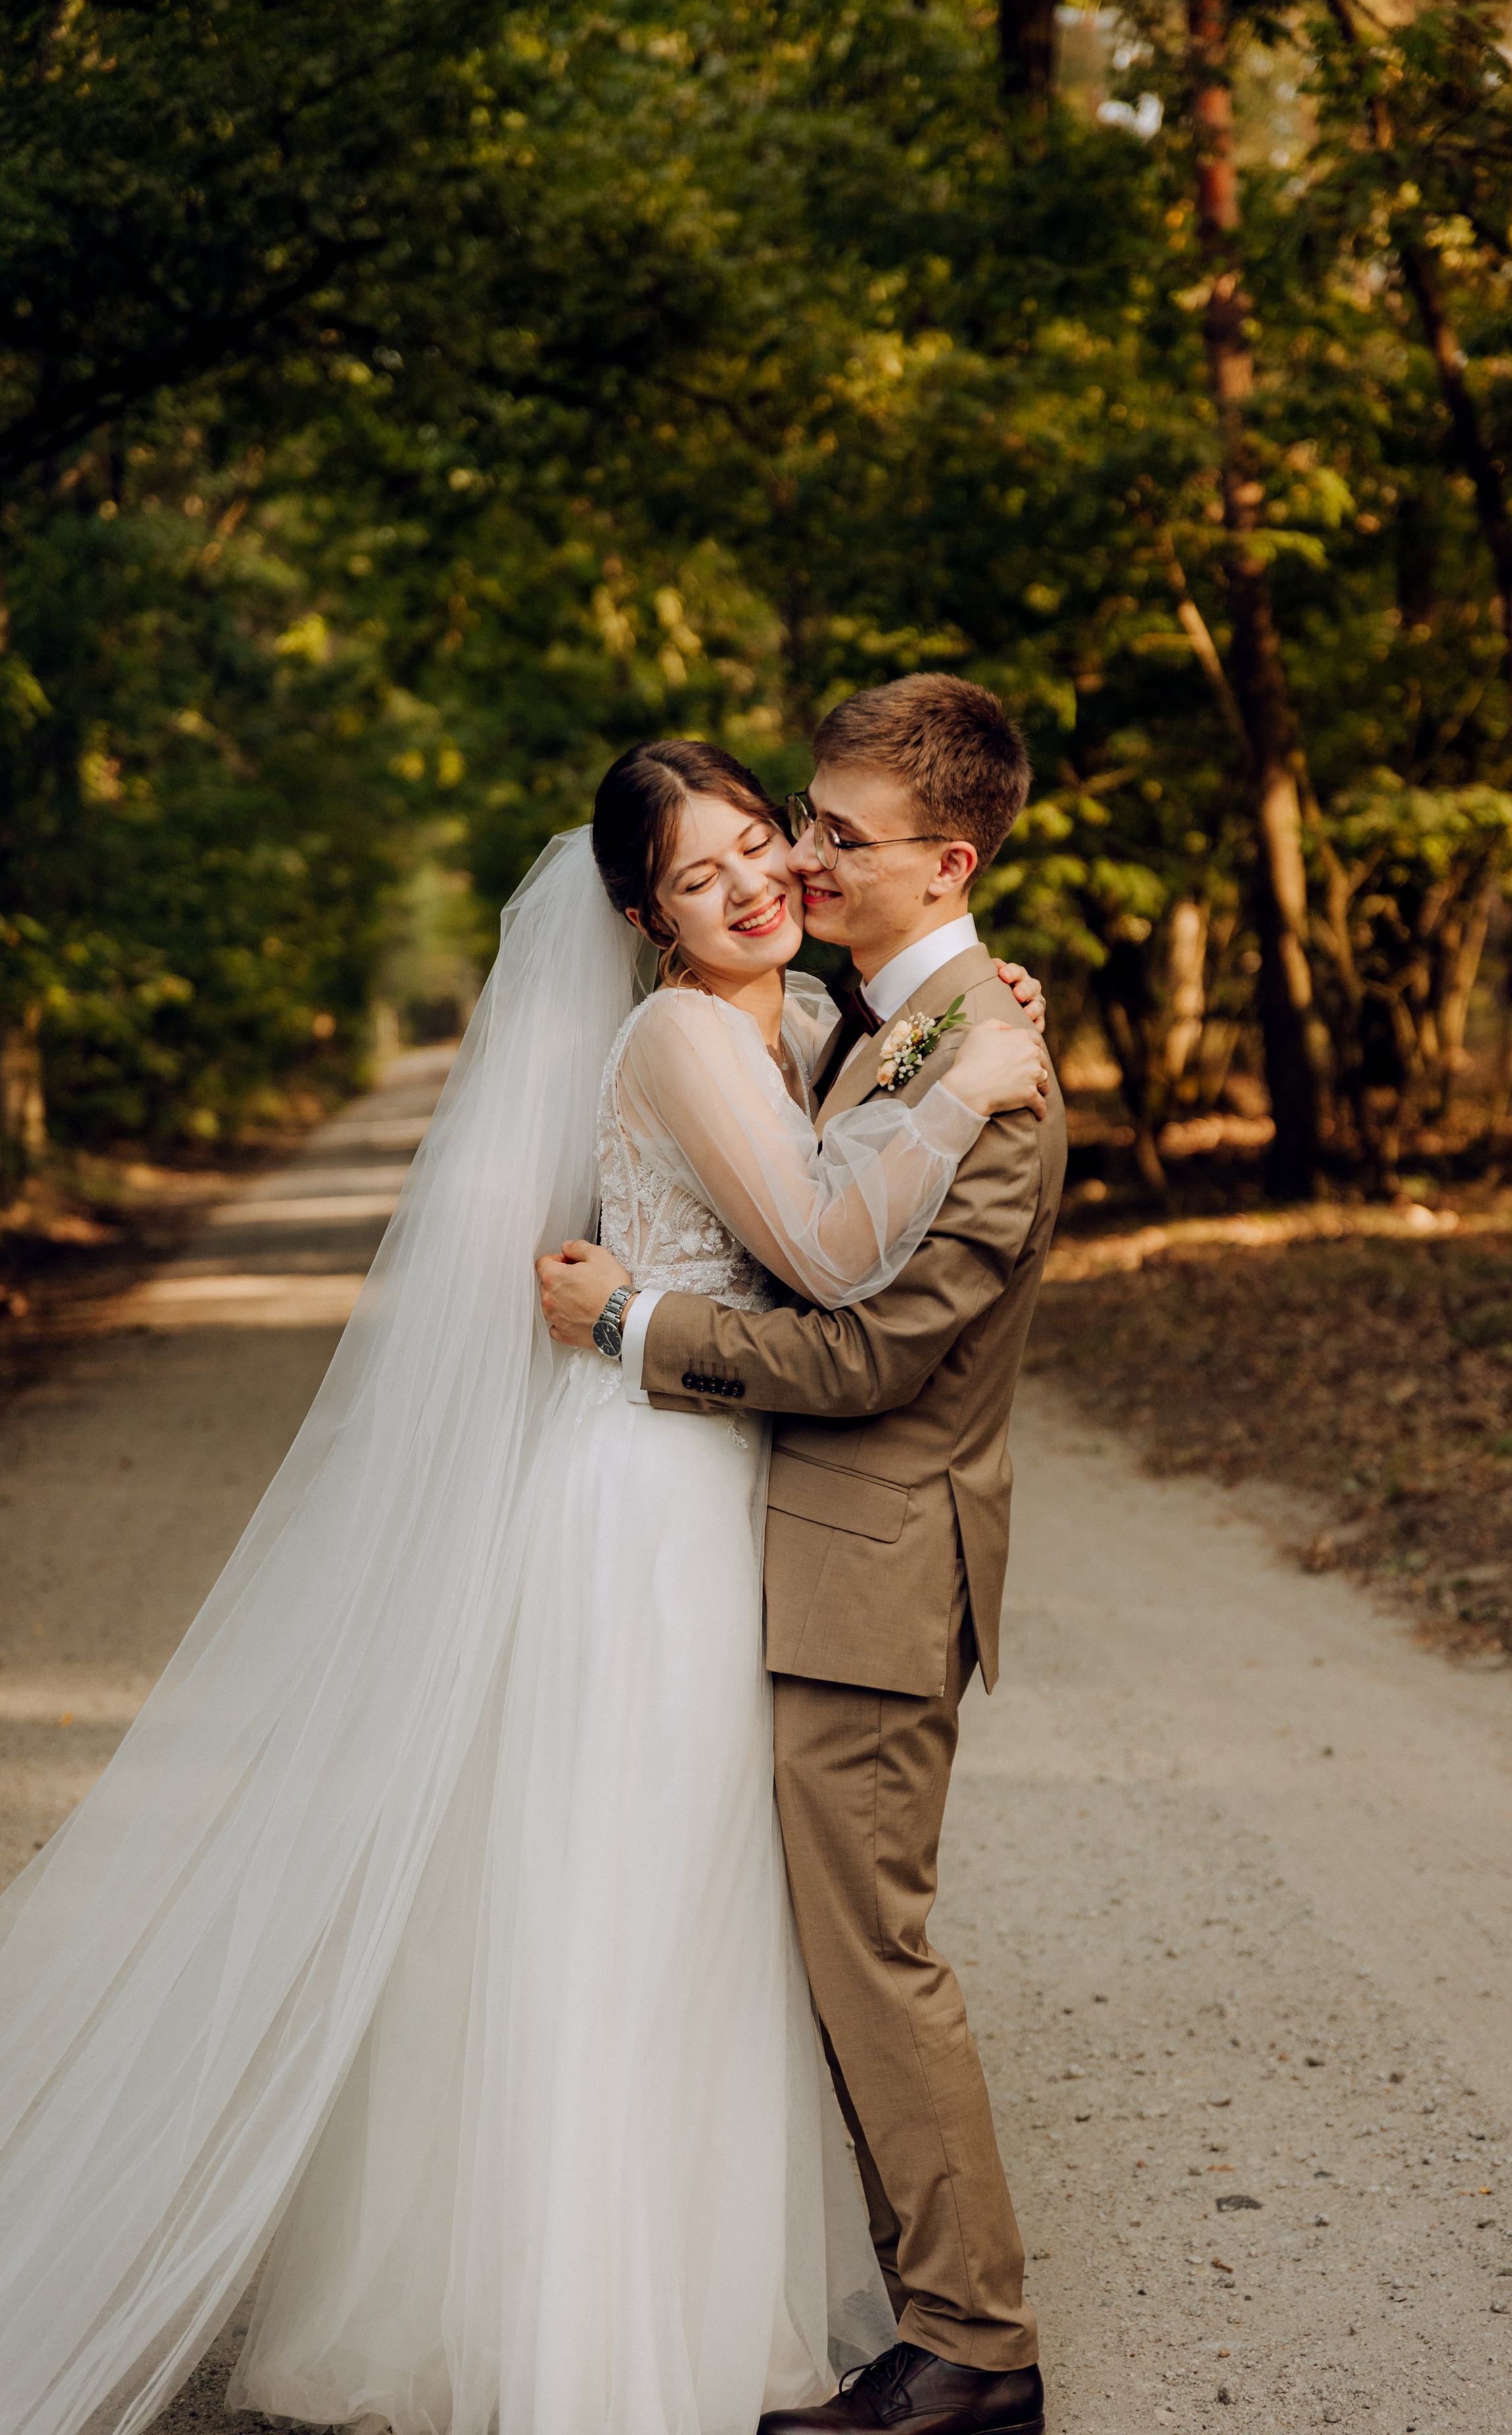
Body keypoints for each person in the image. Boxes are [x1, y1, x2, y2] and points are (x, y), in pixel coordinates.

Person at [0, 735, 1047, 2435]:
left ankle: (707, 2301)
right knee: (623, 1900)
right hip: (646, 1503)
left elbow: (860, 1154)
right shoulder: (683, 1037)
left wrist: (960, 1029)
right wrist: (977, 1079)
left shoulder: (829, 1021)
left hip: (745, 1493)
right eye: (704, 874)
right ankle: (590, 2333)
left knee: (716, 1918)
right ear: (642, 914)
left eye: (767, 844)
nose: (758, 881)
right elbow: (835, 1254)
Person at [540, 675, 1067, 2435]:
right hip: (789, 1549)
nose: (803, 863)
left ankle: (975, 2349)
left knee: (870, 1958)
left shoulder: (992, 1071)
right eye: (786, 832)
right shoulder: (874, 1023)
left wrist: (632, 1325)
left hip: (875, 1568)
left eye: (830, 835)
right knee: (770, 1943)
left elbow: (867, 1350)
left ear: (951, 860)